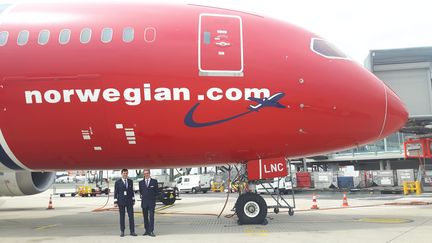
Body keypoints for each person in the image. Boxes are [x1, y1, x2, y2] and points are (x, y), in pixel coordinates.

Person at [114, 168, 137, 237]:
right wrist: (115, 201)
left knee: (131, 217)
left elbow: (132, 192)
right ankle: (122, 231)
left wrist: (133, 199)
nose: (125, 174)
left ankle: (132, 231)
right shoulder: (117, 182)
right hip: (121, 202)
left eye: (126, 173)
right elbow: (116, 192)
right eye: (124, 173)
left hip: (129, 201)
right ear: (121, 174)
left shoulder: (130, 181)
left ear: (127, 174)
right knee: (122, 217)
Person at [139, 169, 158, 237]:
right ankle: (146, 230)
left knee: (151, 217)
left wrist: (152, 199)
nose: (146, 175)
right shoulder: (141, 182)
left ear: (149, 174)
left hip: (151, 202)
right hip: (144, 203)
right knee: (145, 217)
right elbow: (141, 192)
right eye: (145, 173)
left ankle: (151, 231)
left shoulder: (154, 182)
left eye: (147, 173)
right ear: (143, 174)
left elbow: (156, 192)